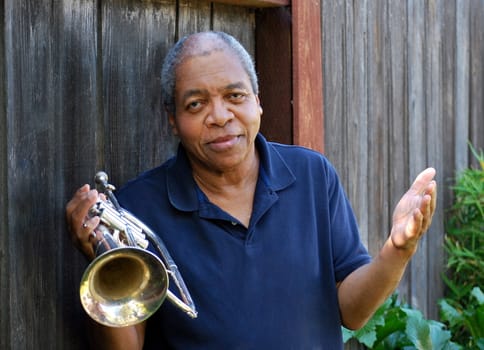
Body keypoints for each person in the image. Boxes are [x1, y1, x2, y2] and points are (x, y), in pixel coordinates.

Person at [66, 31, 437, 350]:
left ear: (258, 101)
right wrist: (101, 259)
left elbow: (353, 313)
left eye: (235, 96)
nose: (220, 116)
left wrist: (397, 250)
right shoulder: (136, 209)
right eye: (196, 104)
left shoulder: (311, 175)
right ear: (173, 120)